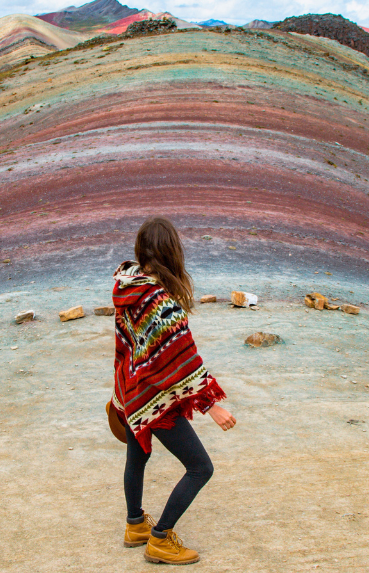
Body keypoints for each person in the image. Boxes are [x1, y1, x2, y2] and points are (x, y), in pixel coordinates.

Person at [110, 216, 237, 565]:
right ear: (171, 252)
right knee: (200, 468)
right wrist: (211, 405)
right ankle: (160, 539)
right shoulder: (160, 303)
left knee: (137, 457)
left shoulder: (127, 285)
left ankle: (135, 524)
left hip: (131, 393)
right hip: (154, 401)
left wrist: (121, 397)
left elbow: (126, 347)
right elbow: (182, 360)